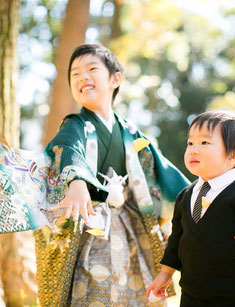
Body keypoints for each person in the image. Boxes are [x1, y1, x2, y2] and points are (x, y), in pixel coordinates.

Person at [33, 44, 190, 306]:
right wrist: (76, 181)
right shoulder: (75, 124)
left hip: (129, 222)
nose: (83, 76)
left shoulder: (129, 131)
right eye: (75, 74)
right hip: (92, 225)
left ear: (115, 79)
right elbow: (70, 148)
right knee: (95, 287)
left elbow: (161, 170)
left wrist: (198, 195)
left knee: (136, 286)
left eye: (92, 69)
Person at [146, 110, 235, 307]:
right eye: (190, 143)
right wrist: (166, 273)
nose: (193, 149)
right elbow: (176, 240)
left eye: (205, 143)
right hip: (192, 294)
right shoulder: (185, 196)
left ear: (234, 155)